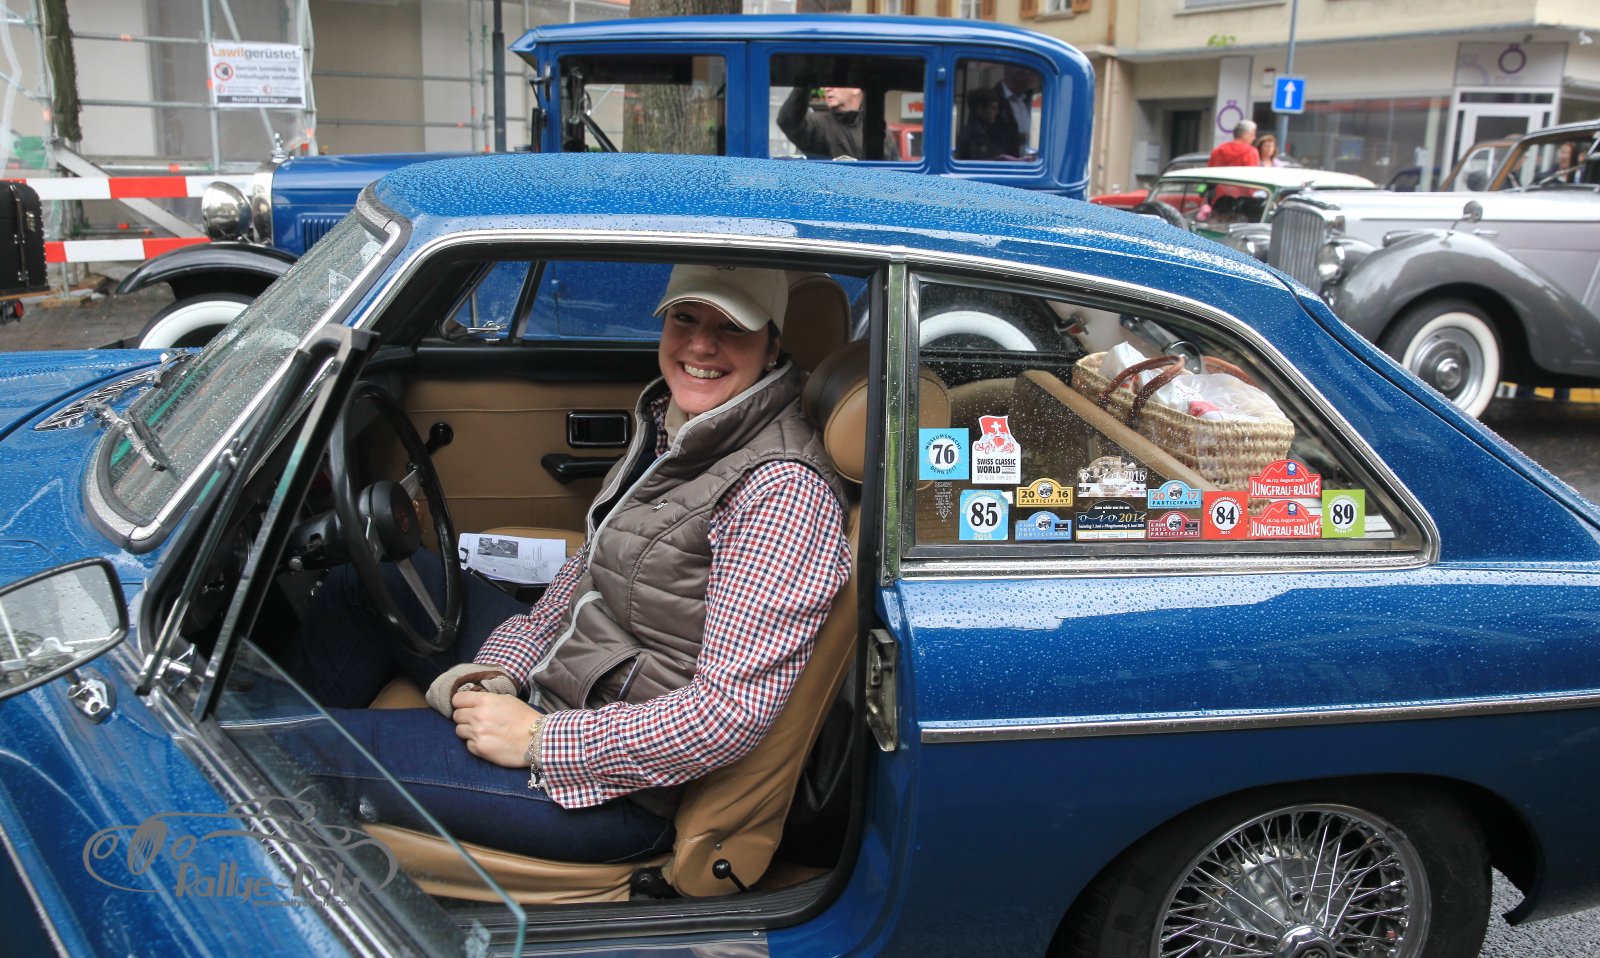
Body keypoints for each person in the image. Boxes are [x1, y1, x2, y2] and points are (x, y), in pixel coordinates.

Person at [287, 264, 852, 863]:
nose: (700, 345)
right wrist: (503, 671)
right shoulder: (679, 428)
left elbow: (724, 716)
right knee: (366, 578)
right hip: (575, 671)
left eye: (731, 328)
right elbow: (587, 572)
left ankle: (260, 778)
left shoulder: (780, 492)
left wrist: (536, 738)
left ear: (772, 346)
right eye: (684, 318)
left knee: (288, 750)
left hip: (618, 787)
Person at [777, 84, 900, 161]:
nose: (827, 89)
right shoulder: (817, 123)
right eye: (825, 85)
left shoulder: (878, 129)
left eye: (835, 83)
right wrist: (804, 83)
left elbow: (893, 169)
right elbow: (787, 121)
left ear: (856, 88)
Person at [991, 65, 1039, 159]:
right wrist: (1017, 137)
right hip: (1004, 162)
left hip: (1025, 159)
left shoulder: (1026, 97)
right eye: (1030, 76)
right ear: (1018, 76)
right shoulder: (994, 98)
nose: (1032, 81)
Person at [956, 88, 1006, 160]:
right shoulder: (974, 134)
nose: (997, 112)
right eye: (993, 108)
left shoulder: (990, 131)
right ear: (980, 108)